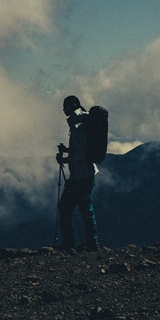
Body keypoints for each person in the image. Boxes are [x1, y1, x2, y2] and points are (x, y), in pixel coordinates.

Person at [55, 95, 99, 252]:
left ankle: (70, 242)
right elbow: (81, 150)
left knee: (66, 207)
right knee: (85, 208)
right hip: (87, 174)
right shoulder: (83, 121)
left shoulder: (78, 125)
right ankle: (91, 242)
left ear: (72, 106)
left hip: (80, 175)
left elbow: (80, 153)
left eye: (65, 106)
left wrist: (65, 159)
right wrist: (67, 151)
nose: (63, 110)